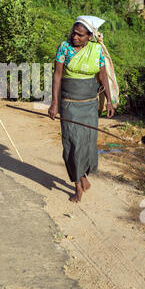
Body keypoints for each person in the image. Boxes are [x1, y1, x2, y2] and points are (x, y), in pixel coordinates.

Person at [48, 15, 115, 203]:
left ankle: (83, 174)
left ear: (89, 37)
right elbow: (57, 76)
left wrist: (109, 101)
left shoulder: (96, 50)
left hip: (90, 104)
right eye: (73, 33)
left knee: (87, 143)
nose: (74, 37)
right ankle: (77, 184)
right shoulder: (64, 48)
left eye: (79, 35)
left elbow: (103, 76)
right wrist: (54, 103)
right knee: (72, 143)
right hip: (69, 103)